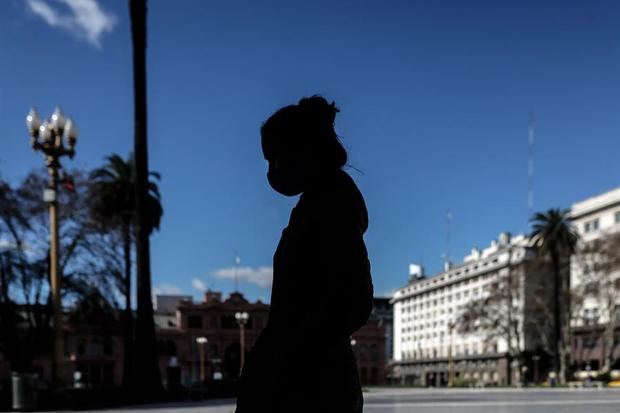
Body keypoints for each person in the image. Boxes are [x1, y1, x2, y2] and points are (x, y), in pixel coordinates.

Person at [235, 96, 374, 413]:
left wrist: (293, 349)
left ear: (306, 152)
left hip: (311, 385)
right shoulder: (314, 206)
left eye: (276, 159)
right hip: (301, 375)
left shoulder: (333, 206)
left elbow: (354, 300)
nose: (272, 172)